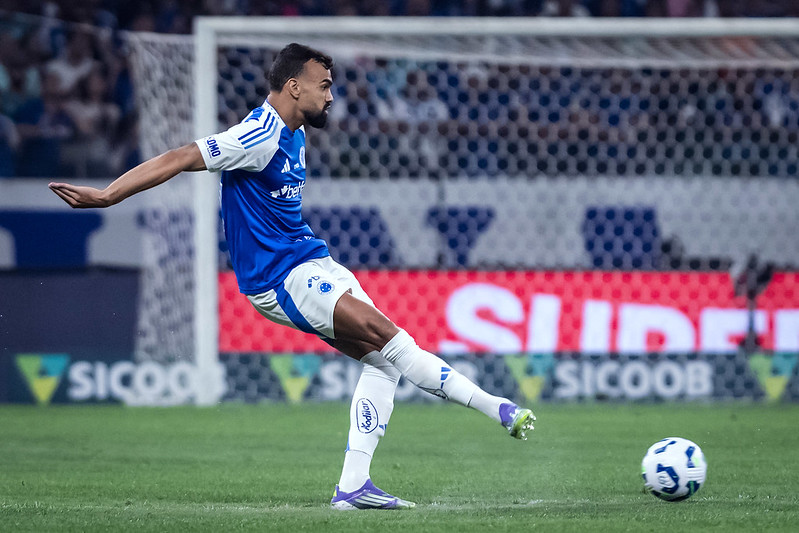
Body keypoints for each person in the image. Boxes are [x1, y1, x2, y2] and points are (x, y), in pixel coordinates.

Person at [49, 43, 535, 511]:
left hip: (312, 261)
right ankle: (498, 408)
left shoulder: (296, 131)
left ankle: (354, 486)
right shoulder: (257, 136)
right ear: (293, 86)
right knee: (393, 340)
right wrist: (108, 195)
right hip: (281, 278)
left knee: (383, 363)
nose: (331, 95)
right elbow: (178, 157)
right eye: (324, 85)